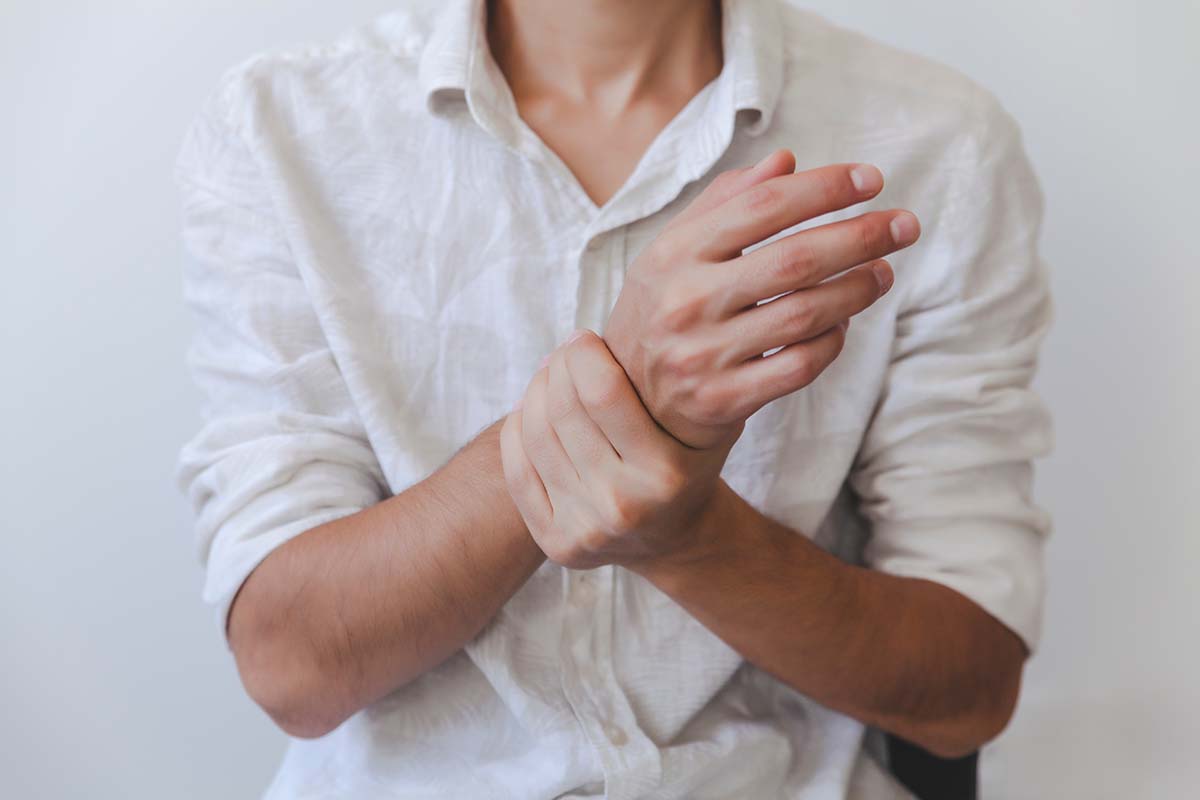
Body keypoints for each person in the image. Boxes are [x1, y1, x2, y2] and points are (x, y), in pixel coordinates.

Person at [174, 0, 1053, 797]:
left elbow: (968, 693)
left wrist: (690, 538)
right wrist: (625, 390)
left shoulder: (939, 144)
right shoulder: (279, 128)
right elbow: (291, 668)